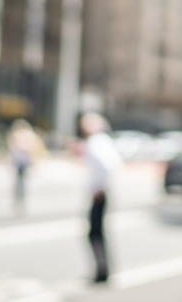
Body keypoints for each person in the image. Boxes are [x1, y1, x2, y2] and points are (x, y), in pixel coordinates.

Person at [79, 112, 122, 283]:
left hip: (100, 193)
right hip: (102, 191)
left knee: (95, 232)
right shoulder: (103, 140)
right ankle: (104, 269)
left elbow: (108, 165)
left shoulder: (96, 141)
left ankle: (102, 271)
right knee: (97, 231)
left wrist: (99, 188)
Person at [6, 119, 44, 210]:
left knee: (20, 182)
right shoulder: (23, 135)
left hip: (23, 161)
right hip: (20, 161)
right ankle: (20, 199)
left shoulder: (25, 135)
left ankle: (20, 199)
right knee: (20, 182)